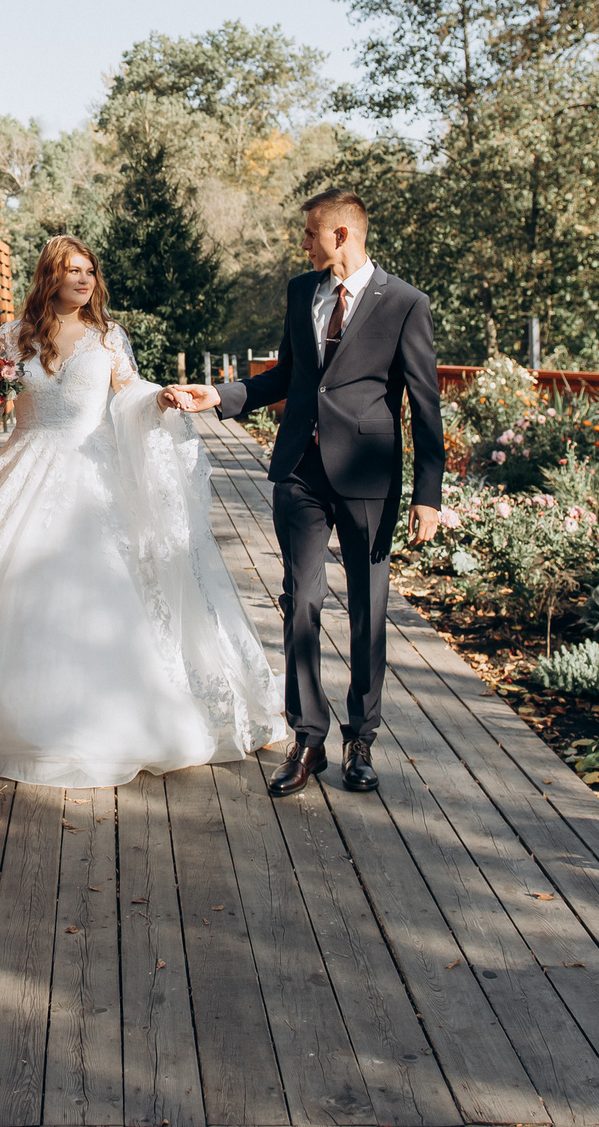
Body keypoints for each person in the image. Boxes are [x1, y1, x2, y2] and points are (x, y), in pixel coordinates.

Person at [0, 236, 288, 786]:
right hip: (24, 463)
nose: (84, 280)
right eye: (73, 271)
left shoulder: (108, 336)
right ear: (50, 277)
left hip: (92, 466)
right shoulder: (14, 336)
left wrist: (157, 398)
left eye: (90, 271)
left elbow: (128, 391)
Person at [163, 190, 442, 798]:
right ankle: (308, 738)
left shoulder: (405, 303)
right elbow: (287, 376)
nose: (304, 243)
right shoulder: (301, 293)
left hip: (368, 477)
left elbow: (425, 404)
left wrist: (428, 493)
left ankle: (360, 738)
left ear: (342, 235)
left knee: (368, 610)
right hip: (299, 472)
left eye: (311, 233)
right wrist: (221, 396)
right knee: (301, 603)